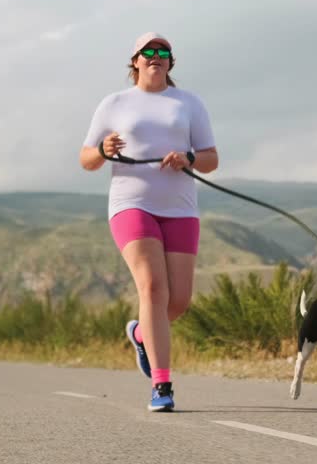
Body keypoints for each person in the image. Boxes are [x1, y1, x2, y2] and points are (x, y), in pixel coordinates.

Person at [79, 32, 219, 412]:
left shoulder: (188, 103)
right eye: (149, 52)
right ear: (135, 61)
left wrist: (188, 158)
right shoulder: (114, 103)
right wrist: (104, 151)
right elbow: (86, 160)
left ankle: (141, 333)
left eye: (164, 52)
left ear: (171, 63)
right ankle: (162, 386)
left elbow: (211, 158)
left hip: (181, 208)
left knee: (179, 300)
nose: (156, 56)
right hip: (131, 204)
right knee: (153, 288)